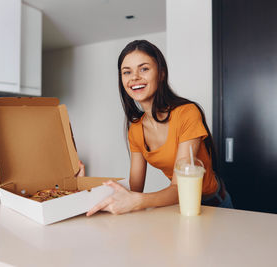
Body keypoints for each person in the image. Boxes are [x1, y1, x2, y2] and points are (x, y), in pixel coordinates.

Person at [86, 40, 233, 216]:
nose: (134, 77)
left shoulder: (187, 113)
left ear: (161, 73)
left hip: (212, 205)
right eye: (127, 72)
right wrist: (85, 187)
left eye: (144, 69)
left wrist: (137, 201)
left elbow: (181, 188)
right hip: (178, 206)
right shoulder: (135, 129)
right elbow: (135, 188)